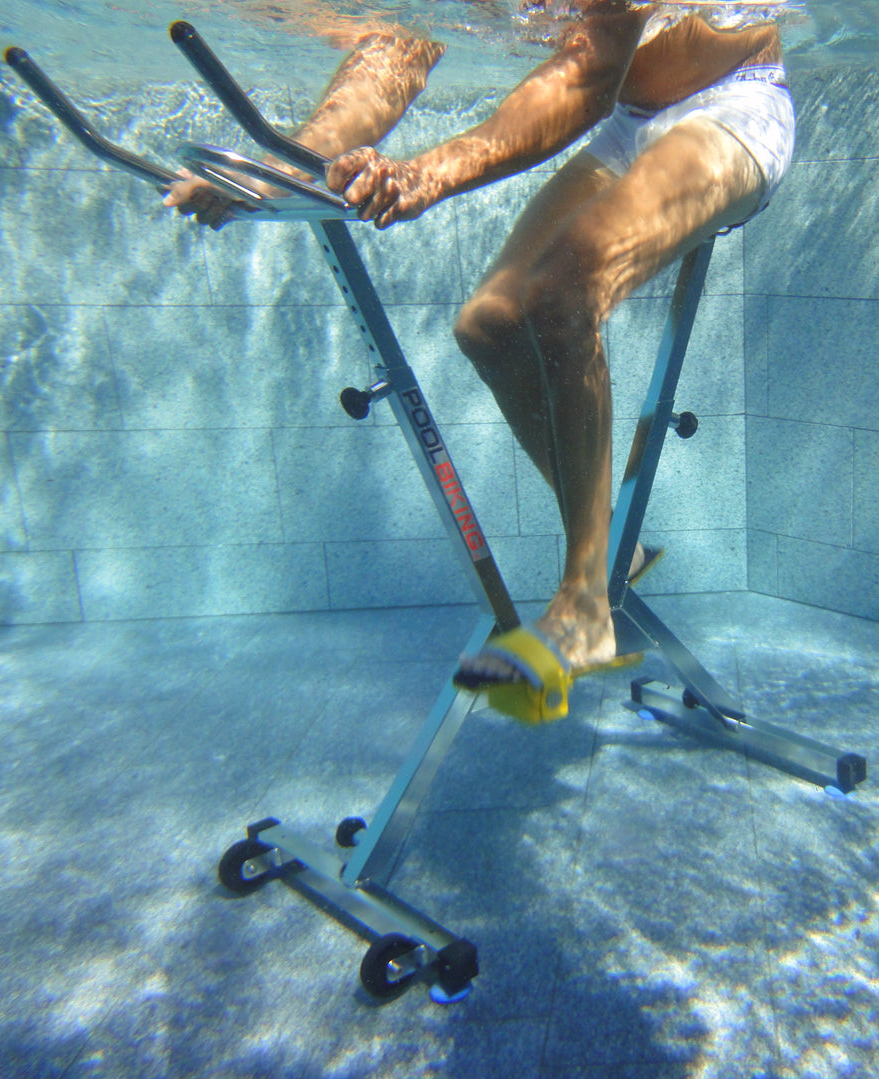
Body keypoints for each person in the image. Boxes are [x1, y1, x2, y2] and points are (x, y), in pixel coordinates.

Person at [166, 0, 795, 694]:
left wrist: (431, 172)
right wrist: (270, 172)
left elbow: (586, 78)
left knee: (564, 292)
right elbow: (395, 56)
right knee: (487, 325)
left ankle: (585, 600)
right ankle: (619, 543)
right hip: (630, 124)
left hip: (730, 109)